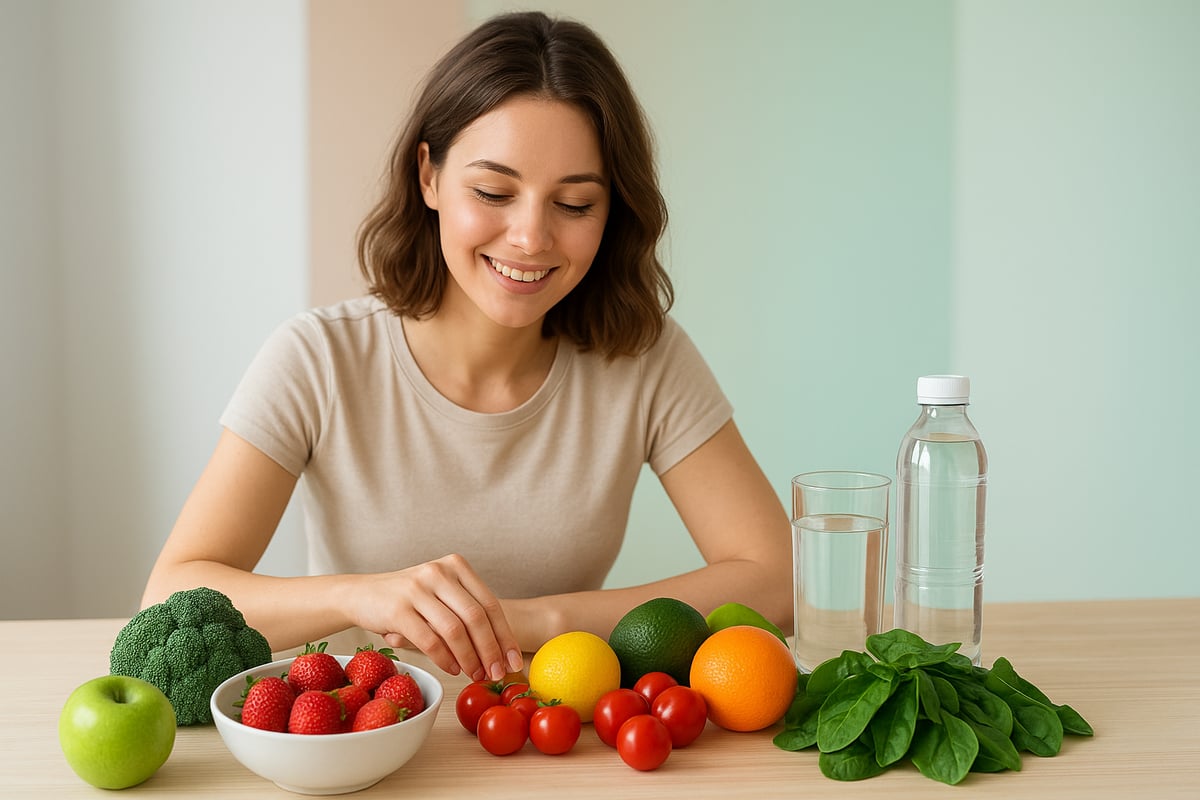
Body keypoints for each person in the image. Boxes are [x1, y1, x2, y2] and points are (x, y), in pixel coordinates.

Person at [141, 10, 791, 684]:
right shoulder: (318, 359)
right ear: (429, 176)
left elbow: (775, 578)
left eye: (574, 205)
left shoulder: (644, 359)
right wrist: (359, 593)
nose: (530, 238)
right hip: (368, 750)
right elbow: (168, 595)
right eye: (493, 192)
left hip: (549, 737)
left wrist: (538, 621)